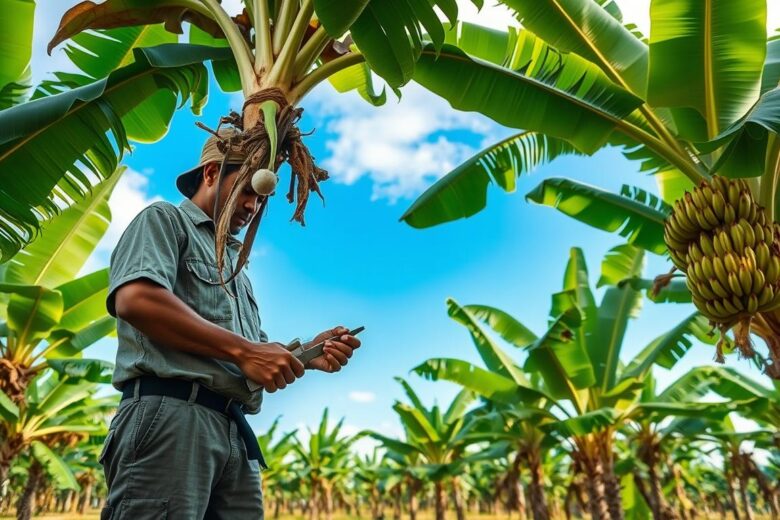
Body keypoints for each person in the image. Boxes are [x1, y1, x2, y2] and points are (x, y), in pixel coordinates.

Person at [99, 128, 361, 519]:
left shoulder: (235, 268)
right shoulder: (165, 220)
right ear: (210, 174)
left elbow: (249, 354)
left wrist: (308, 354)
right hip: (172, 418)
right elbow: (137, 300)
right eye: (247, 190)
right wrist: (246, 350)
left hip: (232, 429)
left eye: (261, 198)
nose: (254, 205)